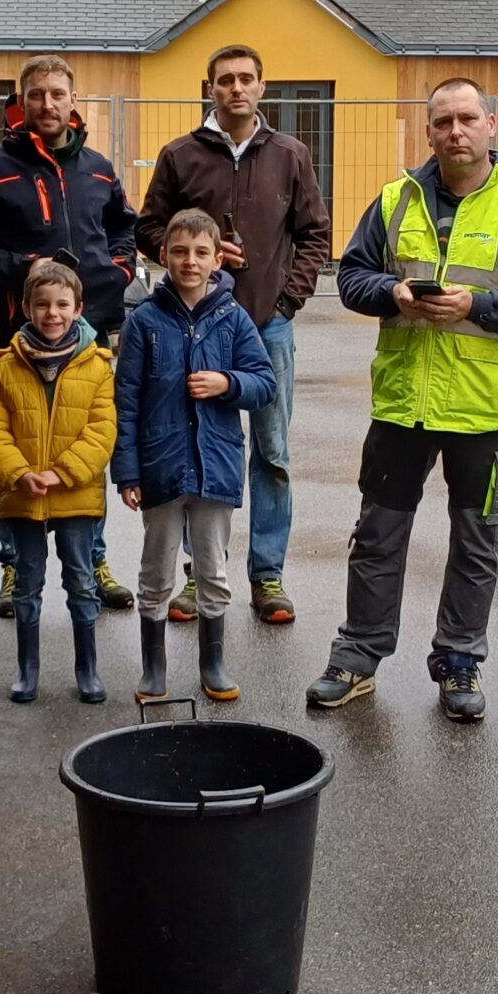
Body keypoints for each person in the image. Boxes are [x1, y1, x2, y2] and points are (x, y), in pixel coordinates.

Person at [307, 80, 498, 724]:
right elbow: (350, 277)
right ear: (429, 132)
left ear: (491, 126)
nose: (455, 132)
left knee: (476, 542)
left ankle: (459, 660)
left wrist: (477, 305)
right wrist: (391, 293)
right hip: (403, 404)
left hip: (484, 410)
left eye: (467, 119)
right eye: (443, 122)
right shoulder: (395, 199)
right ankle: (359, 655)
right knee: (377, 535)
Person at [136, 42, 331, 625]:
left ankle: (267, 573)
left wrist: (287, 300)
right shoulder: (180, 155)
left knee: (272, 453)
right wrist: (189, 253)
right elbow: (147, 227)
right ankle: (199, 576)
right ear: (210, 89)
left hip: (266, 328)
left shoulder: (291, 154)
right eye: (225, 80)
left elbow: (316, 235)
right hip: (196, 329)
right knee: (198, 449)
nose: (236, 88)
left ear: (262, 89)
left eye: (246, 79)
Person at [0, 53, 141, 616]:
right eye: (37, 95)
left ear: (74, 100)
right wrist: (22, 266)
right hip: (17, 337)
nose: (48, 104)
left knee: (90, 448)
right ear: (22, 101)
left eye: (58, 94)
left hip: (93, 335)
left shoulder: (100, 168)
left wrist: (118, 272)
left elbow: (123, 226)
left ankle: (94, 560)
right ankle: (15, 567)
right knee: (18, 447)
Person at [112, 210, 277, 705]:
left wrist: (228, 383)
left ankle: (214, 662)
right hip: (161, 466)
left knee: (213, 568)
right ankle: (154, 669)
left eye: (201, 252)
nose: (190, 261)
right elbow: (126, 402)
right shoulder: (144, 321)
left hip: (215, 466)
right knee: (156, 571)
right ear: (163, 256)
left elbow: (265, 383)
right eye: (180, 251)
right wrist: (127, 471)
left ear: (216, 258)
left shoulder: (233, 317)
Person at [0, 259, 117, 706]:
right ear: (25, 308)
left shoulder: (98, 367)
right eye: (41, 304)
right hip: (23, 497)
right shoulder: (2, 368)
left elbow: (102, 430)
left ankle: (87, 667)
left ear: (78, 309)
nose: (51, 313)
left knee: (81, 581)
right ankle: (27, 667)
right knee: (27, 584)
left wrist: (64, 472)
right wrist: (18, 473)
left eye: (61, 304)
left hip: (76, 495)